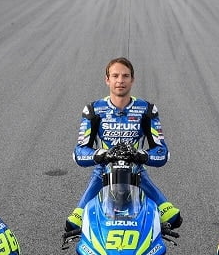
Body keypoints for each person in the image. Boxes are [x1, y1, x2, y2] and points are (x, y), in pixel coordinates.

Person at [66, 57, 182, 232]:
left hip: (136, 172)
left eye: (125, 76)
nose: (120, 80)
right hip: (103, 173)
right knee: (73, 225)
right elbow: (79, 153)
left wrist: (140, 155)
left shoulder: (147, 109)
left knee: (173, 218)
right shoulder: (93, 110)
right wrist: (103, 155)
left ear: (132, 80)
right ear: (107, 80)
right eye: (115, 76)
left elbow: (162, 152)